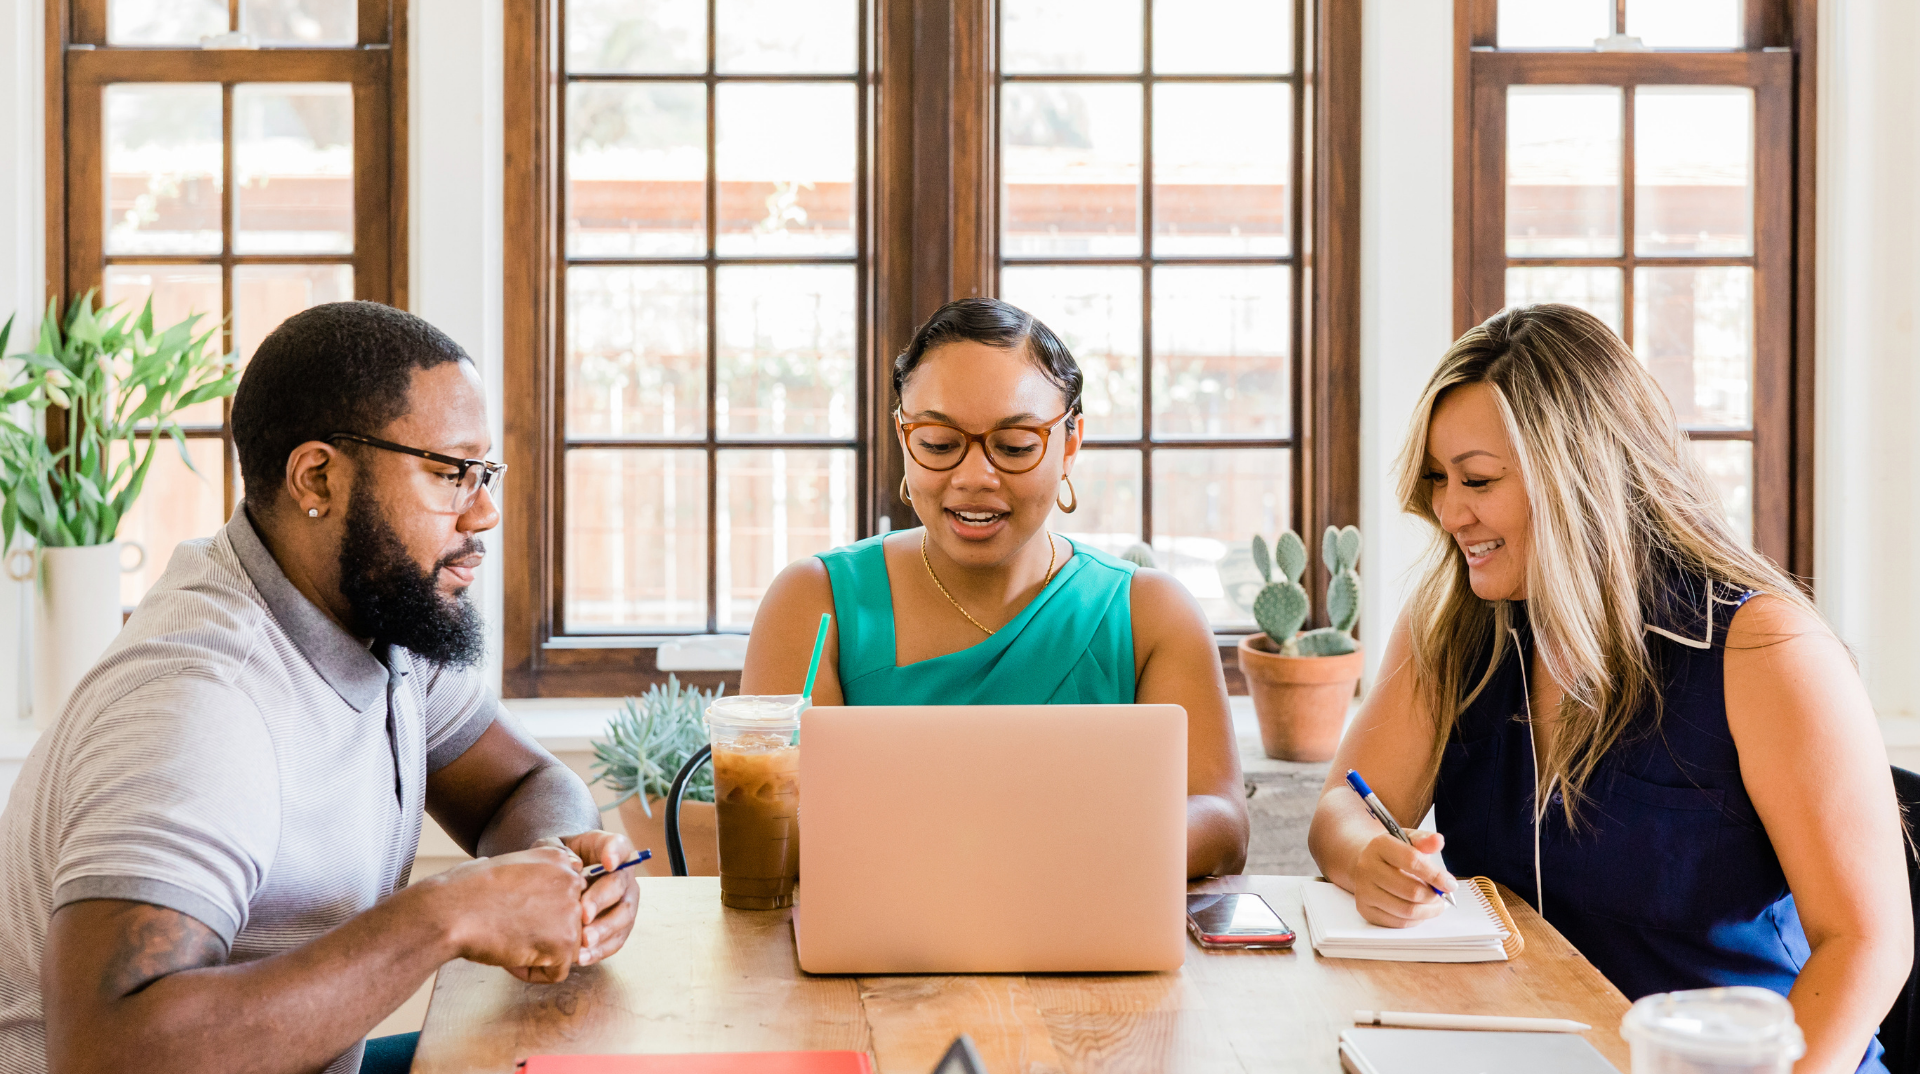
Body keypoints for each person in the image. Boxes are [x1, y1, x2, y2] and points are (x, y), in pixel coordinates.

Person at [0, 302, 642, 1074]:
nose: (486, 511)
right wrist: (449, 914)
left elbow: (523, 783)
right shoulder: (199, 704)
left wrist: (562, 869)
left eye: (485, 472)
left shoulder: (378, 615)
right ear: (318, 477)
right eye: (449, 473)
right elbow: (109, 1053)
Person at [1307, 304, 1910, 1073]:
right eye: (1437, 479)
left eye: (1477, 479)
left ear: (1580, 475)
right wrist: (1367, 859)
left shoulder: (1766, 648)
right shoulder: (1454, 627)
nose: (1446, 511)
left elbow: (1867, 943)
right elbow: (1343, 809)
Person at [742, 297, 1248, 879]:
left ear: (1071, 442)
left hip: (1092, 946)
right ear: (903, 436)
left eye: (1014, 446)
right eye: (937, 443)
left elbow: (1223, 825)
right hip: (873, 958)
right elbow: (773, 827)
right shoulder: (814, 602)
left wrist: (1070, 845)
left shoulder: (1151, 615)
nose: (974, 477)